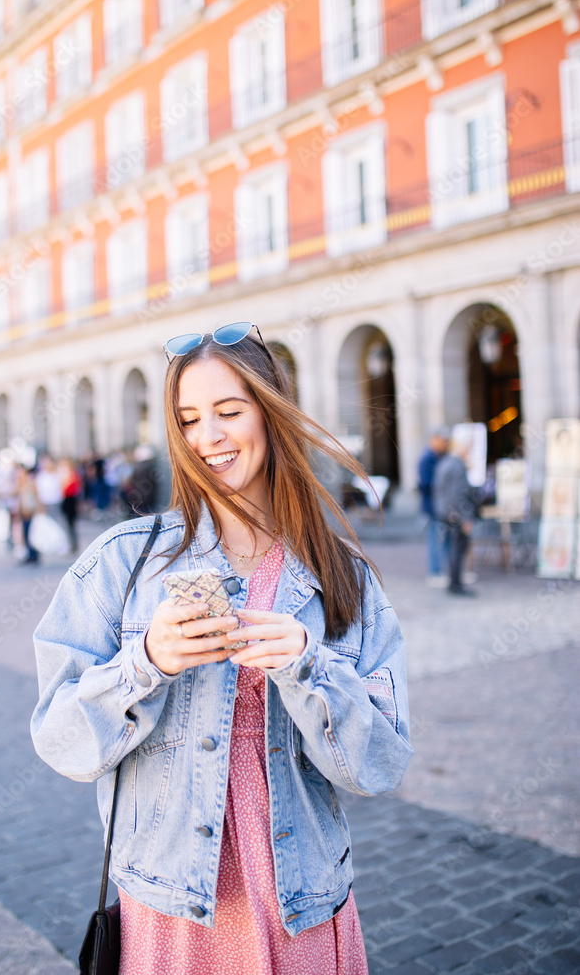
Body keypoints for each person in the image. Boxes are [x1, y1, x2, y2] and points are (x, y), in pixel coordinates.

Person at [30, 323, 412, 975]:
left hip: (303, 903)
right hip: (171, 910)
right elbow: (61, 742)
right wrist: (143, 663)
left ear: (269, 411)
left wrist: (309, 667)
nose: (208, 436)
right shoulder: (122, 562)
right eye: (188, 419)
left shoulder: (341, 576)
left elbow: (378, 765)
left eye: (229, 411)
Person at [432, 431, 481, 596]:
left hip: (446, 512)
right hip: (455, 514)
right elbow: (459, 494)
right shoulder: (457, 464)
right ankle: (455, 585)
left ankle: (454, 583)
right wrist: (465, 518)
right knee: (457, 549)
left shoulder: (445, 462)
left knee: (453, 548)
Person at [417, 428, 450, 586]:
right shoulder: (427, 459)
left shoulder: (440, 457)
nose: (444, 444)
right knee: (434, 539)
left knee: (442, 539)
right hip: (432, 506)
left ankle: (443, 570)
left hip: (440, 505)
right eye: (442, 441)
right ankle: (435, 572)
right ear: (434, 440)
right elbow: (426, 484)